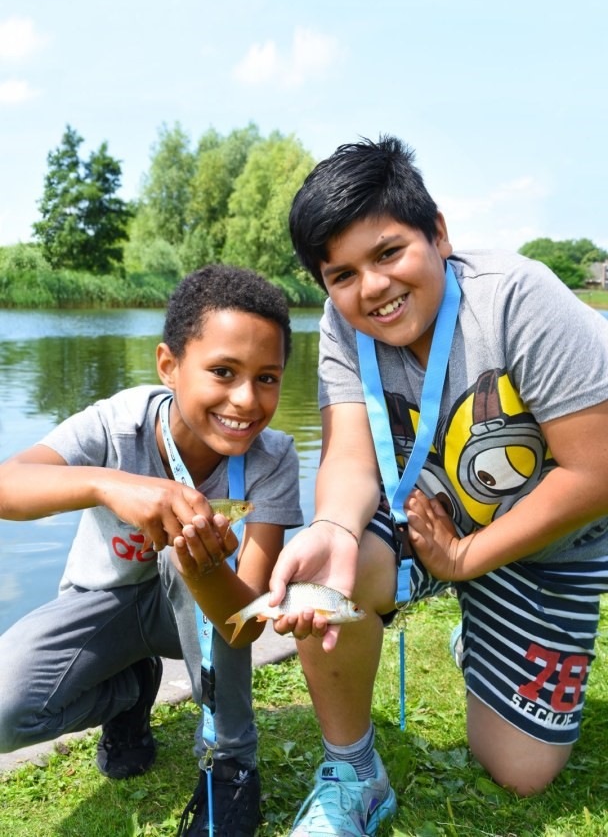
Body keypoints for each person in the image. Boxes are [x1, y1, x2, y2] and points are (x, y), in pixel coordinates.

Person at [267, 135, 608, 836]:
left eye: (389, 253)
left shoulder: (519, 298)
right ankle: (353, 774)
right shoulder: (343, 325)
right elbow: (351, 459)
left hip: (556, 538)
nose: (372, 288)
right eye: (342, 274)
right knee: (332, 570)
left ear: (439, 235)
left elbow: (596, 472)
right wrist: (332, 528)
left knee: (520, 771)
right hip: (429, 510)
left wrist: (467, 559)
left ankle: (478, 631)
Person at [0, 264, 302, 837]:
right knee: (5, 712)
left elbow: (245, 627)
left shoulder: (274, 459)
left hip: (200, 613)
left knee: (178, 551)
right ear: (168, 365)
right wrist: (109, 484)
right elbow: (7, 485)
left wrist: (202, 566)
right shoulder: (116, 424)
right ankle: (130, 694)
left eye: (267, 377)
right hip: (103, 605)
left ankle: (232, 767)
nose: (245, 399)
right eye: (222, 371)